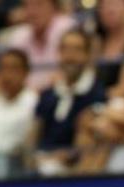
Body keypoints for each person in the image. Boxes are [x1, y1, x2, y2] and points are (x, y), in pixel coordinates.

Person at [30, 28, 107, 175]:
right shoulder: (48, 95)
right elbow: (33, 135)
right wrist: (32, 159)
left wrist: (63, 157)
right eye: (65, 49)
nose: (70, 56)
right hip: (41, 163)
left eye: (77, 50)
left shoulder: (98, 94)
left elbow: (90, 143)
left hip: (75, 170)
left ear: (88, 55)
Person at [6, 0, 76, 90]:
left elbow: (71, 71)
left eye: (39, 4)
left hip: (61, 92)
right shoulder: (18, 36)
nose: (32, 12)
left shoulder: (67, 28)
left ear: (53, 7)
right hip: (28, 97)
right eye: (27, 6)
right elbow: (10, 75)